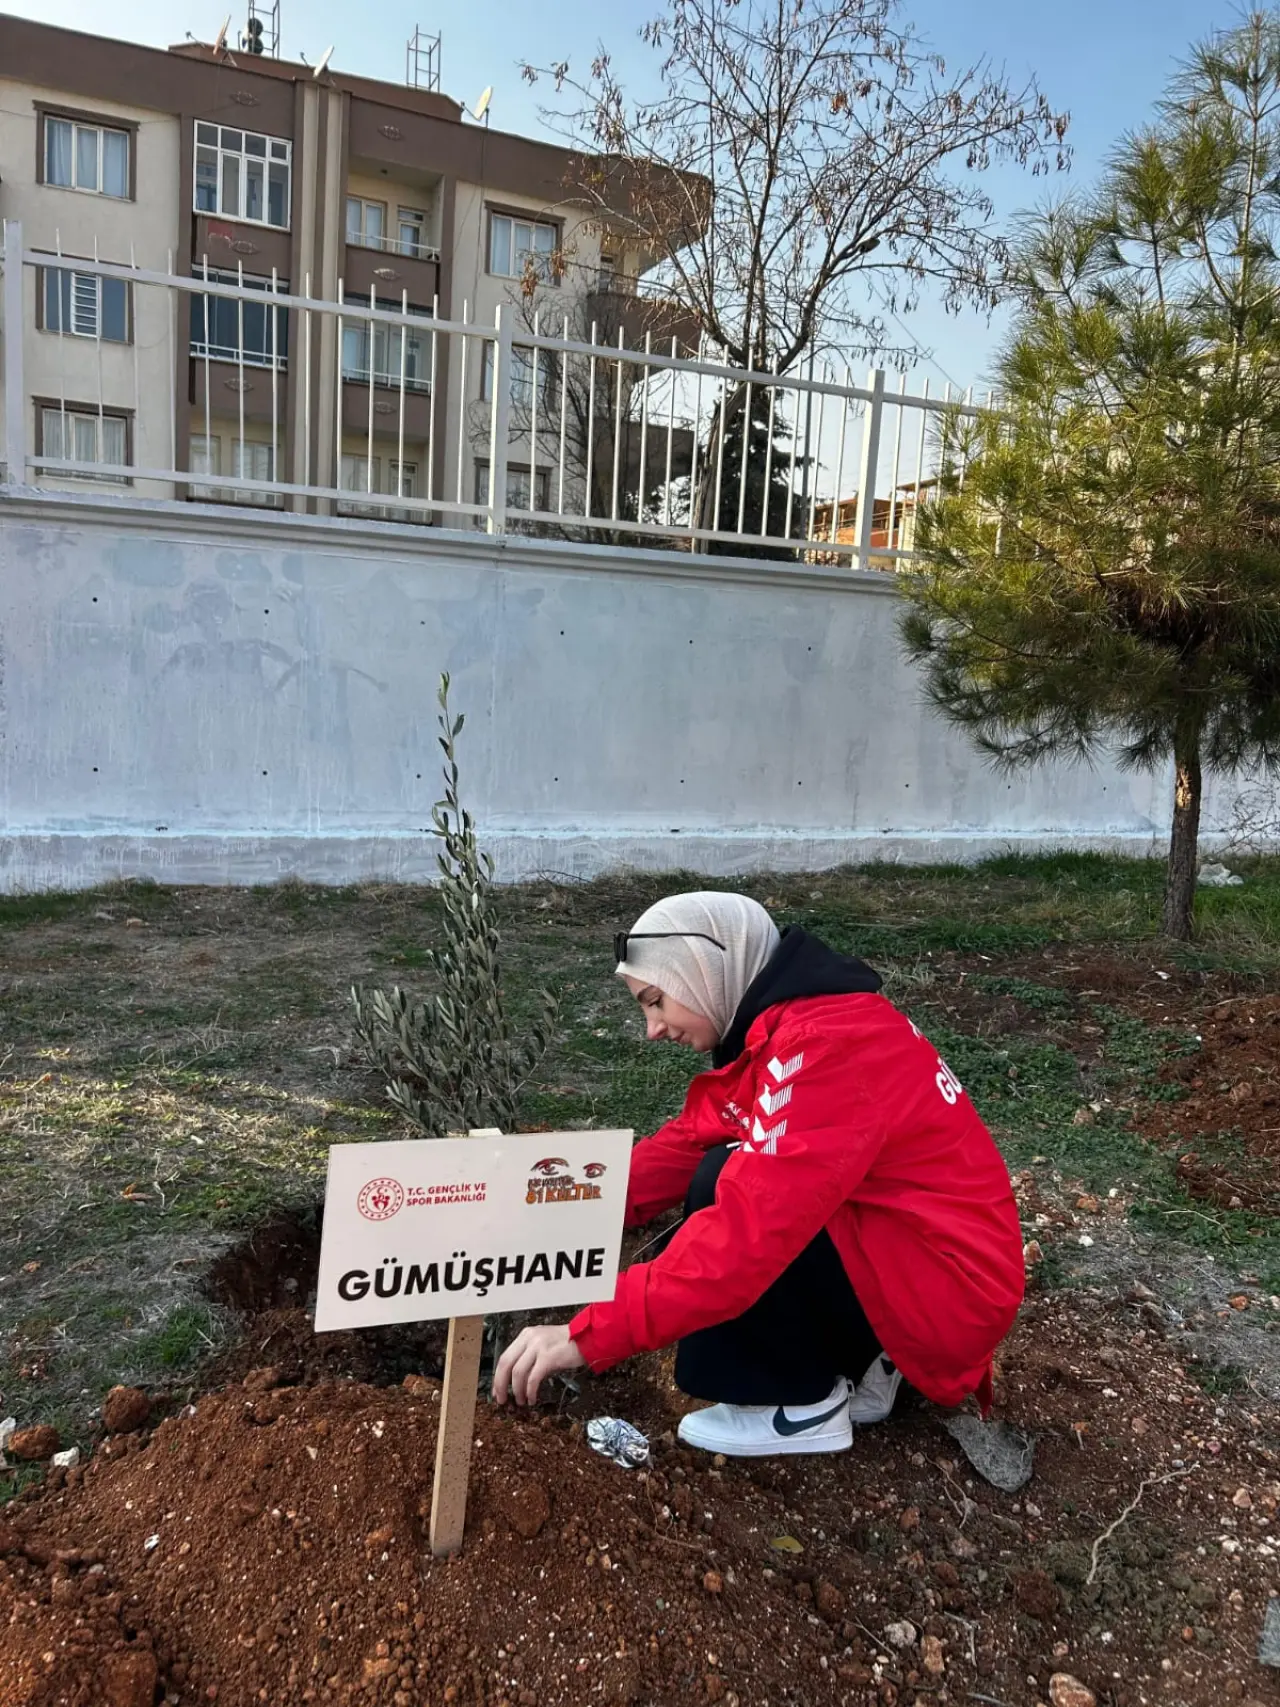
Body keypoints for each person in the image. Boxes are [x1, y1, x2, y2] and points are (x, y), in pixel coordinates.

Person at [492, 891, 1024, 1457]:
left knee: (730, 1187)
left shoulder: (821, 1048)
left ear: (704, 972)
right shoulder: (803, 1021)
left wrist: (585, 1335)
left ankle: (798, 1402)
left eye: (656, 1001)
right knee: (724, 1165)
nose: (652, 1028)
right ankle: (872, 1359)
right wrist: (557, 1213)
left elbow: (740, 1243)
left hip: (947, 1297)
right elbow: (687, 1142)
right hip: (940, 1269)